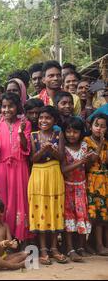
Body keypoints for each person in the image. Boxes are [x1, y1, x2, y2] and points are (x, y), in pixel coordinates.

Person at [28, 106, 67, 265]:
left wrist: (51, 149)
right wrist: (44, 149)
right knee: (40, 211)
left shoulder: (59, 134)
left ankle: (54, 248)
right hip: (38, 175)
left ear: (54, 120)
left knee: (54, 210)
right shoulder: (33, 136)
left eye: (48, 118)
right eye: (41, 118)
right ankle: (43, 250)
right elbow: (33, 159)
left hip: (54, 174)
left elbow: (61, 157)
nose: (44, 120)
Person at [0, 93, 31, 242]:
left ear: (17, 107)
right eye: (4, 106)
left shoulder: (25, 123)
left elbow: (26, 149)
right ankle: (6, 238)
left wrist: (21, 133)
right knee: (4, 201)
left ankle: (22, 237)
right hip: (3, 168)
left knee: (21, 199)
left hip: (20, 166)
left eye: (10, 106)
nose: (7, 110)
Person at [60, 117, 92, 261]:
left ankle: (80, 247)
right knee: (69, 218)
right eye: (68, 131)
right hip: (68, 187)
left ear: (81, 132)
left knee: (82, 217)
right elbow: (64, 169)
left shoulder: (84, 146)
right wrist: (80, 162)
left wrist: (89, 160)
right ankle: (69, 248)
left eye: (75, 131)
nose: (71, 134)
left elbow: (88, 167)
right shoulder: (64, 148)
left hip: (81, 186)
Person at [84, 113, 108, 256]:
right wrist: (99, 144)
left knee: (105, 214)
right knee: (97, 215)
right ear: (91, 126)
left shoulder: (107, 143)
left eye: (103, 126)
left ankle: (102, 243)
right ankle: (98, 245)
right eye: (96, 125)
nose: (99, 129)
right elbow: (90, 163)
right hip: (93, 181)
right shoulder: (86, 141)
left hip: (105, 181)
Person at [0, 197, 28, 270]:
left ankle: (1, 265)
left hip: (3, 256)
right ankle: (16, 266)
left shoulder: (5, 226)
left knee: (24, 254)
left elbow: (9, 241)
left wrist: (12, 244)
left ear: (1, 212)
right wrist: (2, 243)